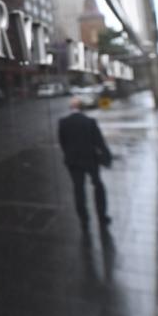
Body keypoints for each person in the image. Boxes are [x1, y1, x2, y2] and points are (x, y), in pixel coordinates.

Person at [58, 96, 112, 231]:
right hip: (90, 160)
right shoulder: (90, 122)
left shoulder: (63, 122)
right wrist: (107, 157)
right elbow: (99, 142)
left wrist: (69, 154)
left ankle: (83, 218)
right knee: (98, 185)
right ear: (82, 108)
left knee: (78, 189)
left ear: (71, 108)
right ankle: (102, 216)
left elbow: (62, 143)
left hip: (73, 161)